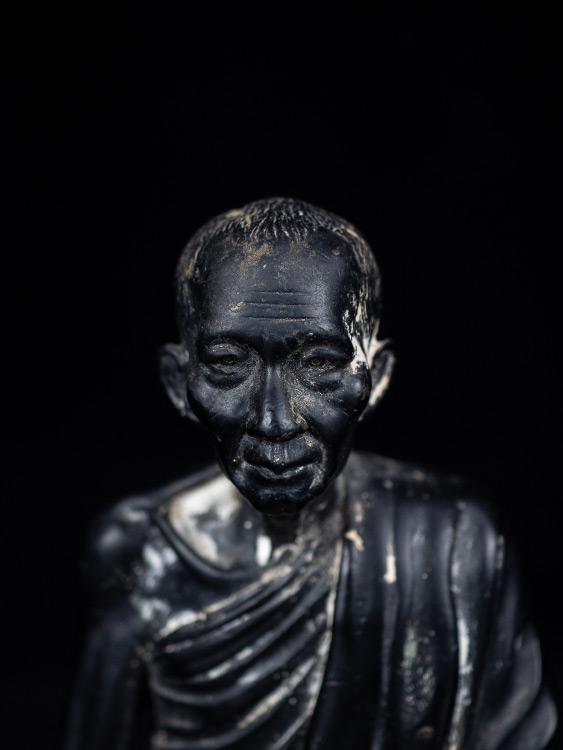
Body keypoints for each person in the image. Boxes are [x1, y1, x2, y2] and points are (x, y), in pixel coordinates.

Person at [66, 198, 556, 750]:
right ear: (180, 382)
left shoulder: (457, 541)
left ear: (376, 376)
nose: (274, 420)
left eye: (320, 364)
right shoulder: (139, 555)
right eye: (228, 364)